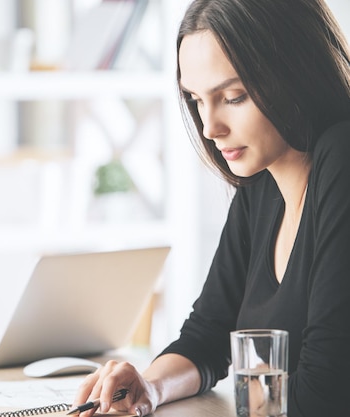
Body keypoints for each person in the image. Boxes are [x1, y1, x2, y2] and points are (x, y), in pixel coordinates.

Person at [72, 0, 350, 416]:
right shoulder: (261, 184)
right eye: (197, 100)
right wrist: (149, 386)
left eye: (234, 97)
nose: (209, 127)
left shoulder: (342, 156)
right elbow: (208, 335)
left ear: (296, 71)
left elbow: (323, 391)